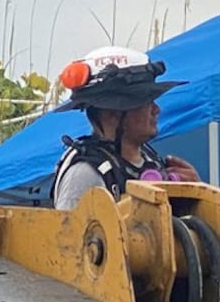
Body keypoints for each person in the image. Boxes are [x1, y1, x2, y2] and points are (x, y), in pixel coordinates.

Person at [50, 45, 199, 209]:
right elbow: (68, 233)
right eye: (145, 102)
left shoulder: (152, 162)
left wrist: (193, 196)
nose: (157, 110)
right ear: (112, 114)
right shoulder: (84, 176)